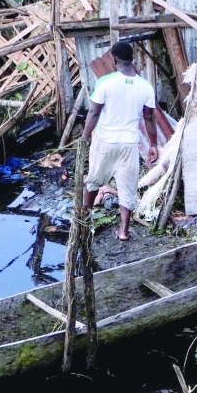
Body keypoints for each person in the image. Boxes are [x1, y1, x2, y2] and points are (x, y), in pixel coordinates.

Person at [82, 40, 158, 242]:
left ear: (114, 58)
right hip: (129, 144)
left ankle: (85, 219)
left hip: (105, 140)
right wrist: (153, 145)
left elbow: (94, 112)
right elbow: (149, 118)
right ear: (131, 59)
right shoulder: (145, 87)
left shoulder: (106, 82)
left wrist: (85, 137)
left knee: (94, 181)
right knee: (127, 187)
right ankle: (123, 231)